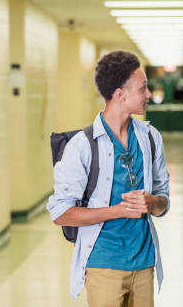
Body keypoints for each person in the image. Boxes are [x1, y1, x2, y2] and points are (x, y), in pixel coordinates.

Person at [47, 51, 170, 306]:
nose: (149, 95)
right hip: (104, 264)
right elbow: (60, 212)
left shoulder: (150, 137)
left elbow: (163, 201)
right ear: (120, 94)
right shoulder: (82, 146)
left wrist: (151, 203)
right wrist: (117, 210)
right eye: (143, 88)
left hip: (145, 262)